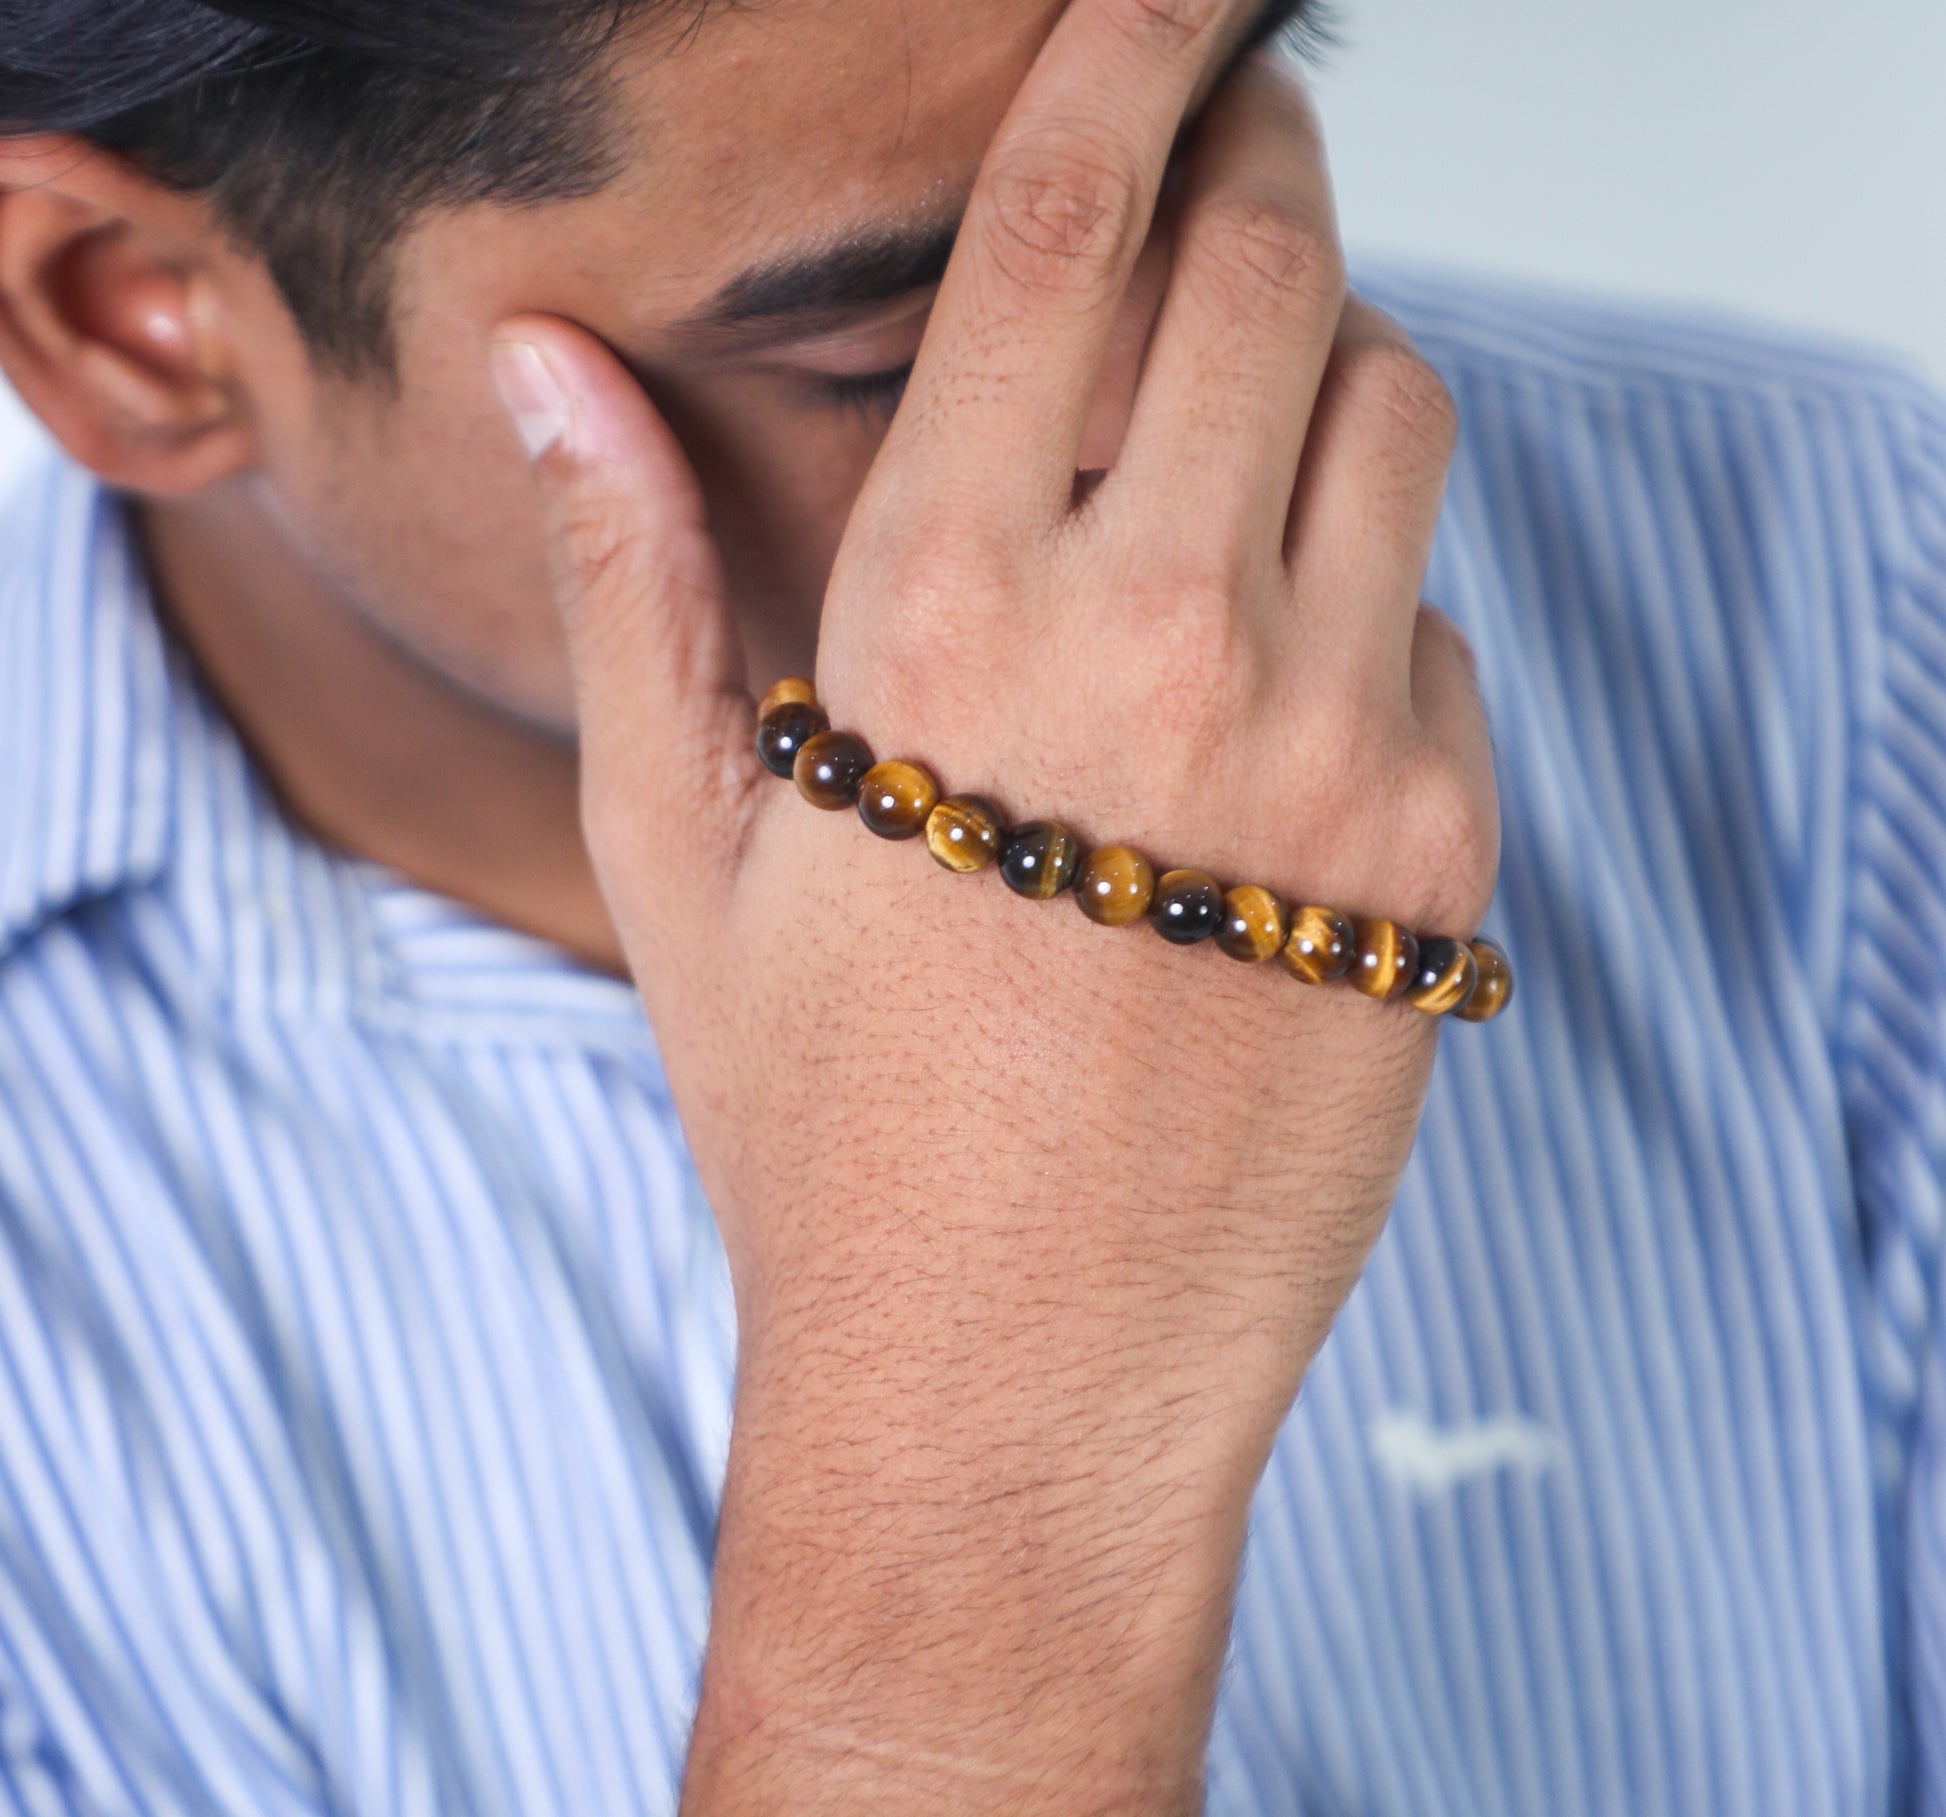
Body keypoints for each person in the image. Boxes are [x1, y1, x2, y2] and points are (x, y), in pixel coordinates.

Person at [0, 0, 1941, 1809]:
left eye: (1203, 145)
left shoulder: (1859, 608)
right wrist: (953, 1627)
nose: (1177, 415)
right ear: (132, 321)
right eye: (885, 351)